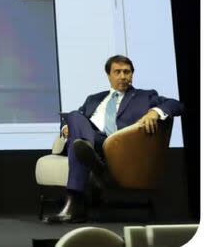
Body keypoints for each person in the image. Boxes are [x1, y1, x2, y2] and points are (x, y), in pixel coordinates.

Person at [44, 54, 184, 224]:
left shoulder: (145, 96)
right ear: (109, 75)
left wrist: (154, 112)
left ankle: (75, 198)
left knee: (78, 144)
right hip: (91, 137)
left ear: (132, 74)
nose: (123, 76)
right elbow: (74, 120)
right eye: (117, 72)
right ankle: (88, 152)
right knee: (73, 116)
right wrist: (66, 127)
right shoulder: (93, 99)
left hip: (119, 145)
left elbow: (176, 104)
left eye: (127, 72)